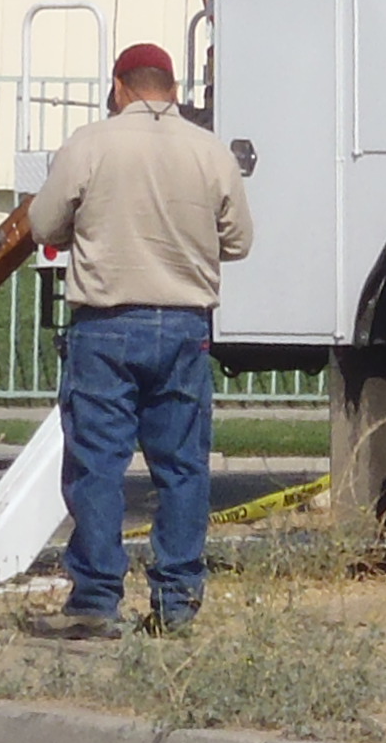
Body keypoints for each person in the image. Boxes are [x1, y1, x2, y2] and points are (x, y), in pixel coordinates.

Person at [27, 39, 256, 638]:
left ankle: (96, 601)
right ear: (173, 90)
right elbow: (239, 241)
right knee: (182, 467)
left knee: (97, 465)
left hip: (106, 324)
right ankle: (177, 601)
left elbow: (43, 225)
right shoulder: (210, 152)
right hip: (185, 326)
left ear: (119, 86)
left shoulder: (89, 145)